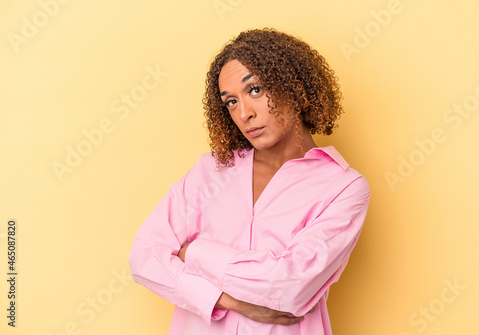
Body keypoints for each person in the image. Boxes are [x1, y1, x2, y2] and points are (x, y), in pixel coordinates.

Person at [129, 28, 370, 335]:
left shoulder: (343, 188)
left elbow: (289, 286)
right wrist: (227, 301)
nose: (244, 113)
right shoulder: (211, 171)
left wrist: (194, 253)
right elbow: (144, 256)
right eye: (230, 102)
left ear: (292, 86)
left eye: (255, 90)